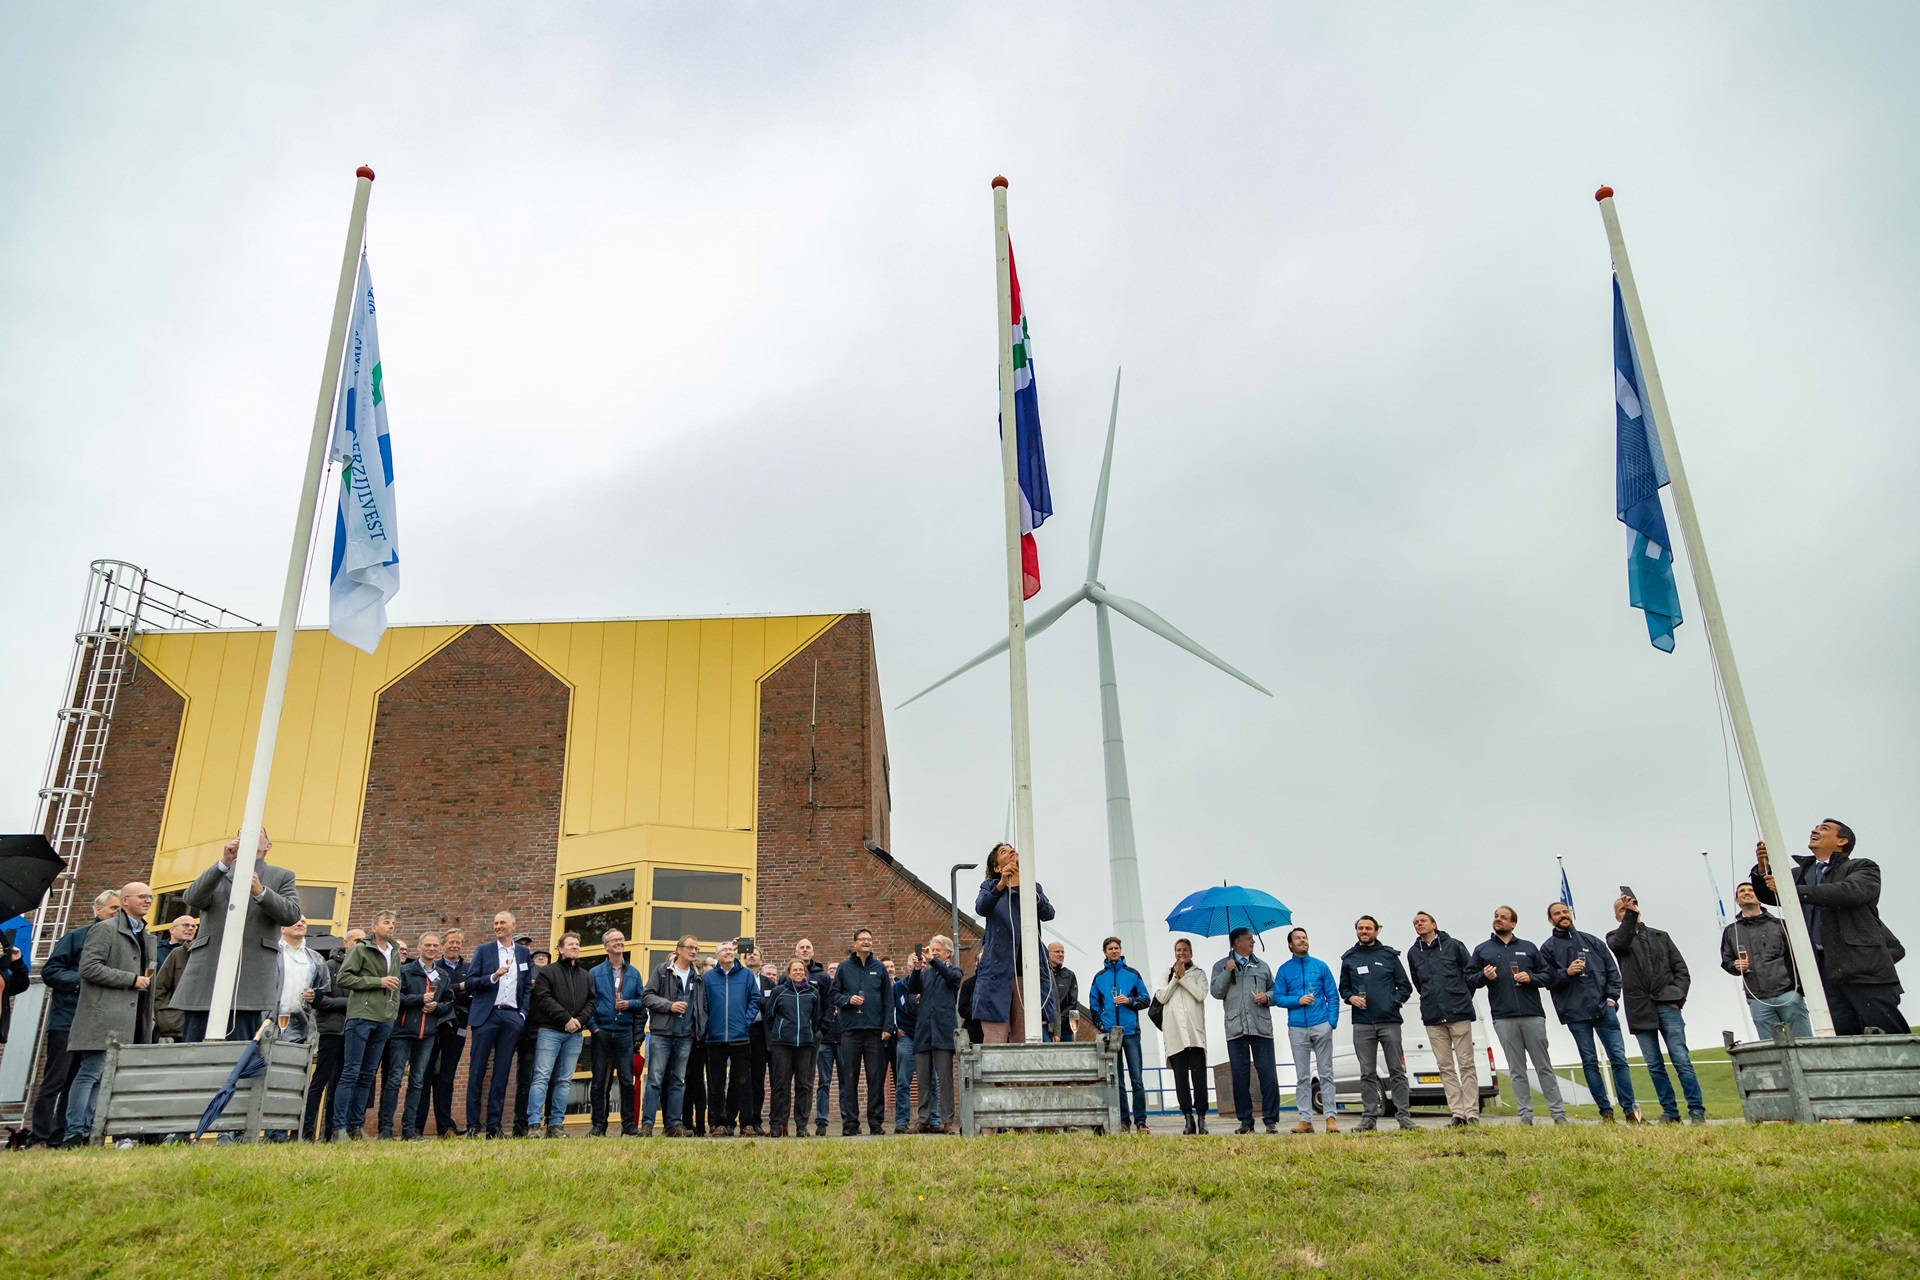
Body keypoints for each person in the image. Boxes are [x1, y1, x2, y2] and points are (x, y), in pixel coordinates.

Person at [1753, 823, 1906, 1036]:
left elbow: (1850, 892)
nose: (1814, 830)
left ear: (1842, 841)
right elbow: (1770, 895)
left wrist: (1793, 890)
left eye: (1824, 828)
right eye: (1815, 827)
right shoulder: (1800, 874)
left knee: (1889, 1033)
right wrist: (1763, 871)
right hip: (1821, 971)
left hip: (1862, 968)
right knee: (1845, 1038)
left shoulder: (1863, 867)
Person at [174, 829, 302, 1043]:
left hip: (250, 975)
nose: (249, 834)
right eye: (243, 831)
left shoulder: (281, 876)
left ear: (268, 846)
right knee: (193, 1045)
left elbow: (291, 914)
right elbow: (193, 898)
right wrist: (224, 862)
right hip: (208, 973)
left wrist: (261, 891)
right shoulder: (218, 873)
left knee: (239, 1046)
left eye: (257, 832)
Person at [62, 882, 158, 1147]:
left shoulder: (148, 936)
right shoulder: (104, 930)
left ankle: (97, 1131)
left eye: (150, 896)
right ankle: (75, 1133)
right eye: (142, 896)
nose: (148, 900)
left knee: (111, 1076)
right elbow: (89, 968)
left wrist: (147, 1014)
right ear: (124, 901)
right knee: (91, 1071)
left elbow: (149, 980)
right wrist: (130, 979)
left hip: (133, 1018)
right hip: (104, 1016)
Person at [28, 889, 118, 1147]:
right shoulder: (76, 937)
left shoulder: (117, 942)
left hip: (96, 1021)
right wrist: (85, 982)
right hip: (67, 1019)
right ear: (97, 910)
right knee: (55, 1080)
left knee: (78, 1080)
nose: (116, 915)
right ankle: (39, 1137)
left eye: (119, 910)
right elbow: (51, 971)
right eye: (112, 909)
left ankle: (62, 1135)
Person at [1607, 894, 1703, 1124]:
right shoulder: (1614, 938)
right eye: (1622, 909)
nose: (1627, 910)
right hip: (1639, 1008)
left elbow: (1681, 970)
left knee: (1681, 1059)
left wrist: (1676, 996)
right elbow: (1621, 943)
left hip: (1667, 1004)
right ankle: (1670, 1112)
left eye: (1630, 907)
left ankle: (1697, 1110)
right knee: (1654, 1065)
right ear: (1617, 916)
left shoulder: (1661, 936)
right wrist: (1630, 917)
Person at [1542, 902, 1637, 1124]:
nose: (1563, 916)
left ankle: (1630, 1111)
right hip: (1575, 1014)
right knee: (1589, 1062)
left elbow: (1613, 973)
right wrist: (1566, 972)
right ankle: (1606, 1112)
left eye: (1565, 912)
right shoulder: (1547, 949)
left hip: (1605, 1010)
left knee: (1619, 1060)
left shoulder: (1592, 941)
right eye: (1557, 914)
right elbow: (1546, 980)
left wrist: (1612, 1000)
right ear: (1550, 920)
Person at [1469, 906, 1565, 1126]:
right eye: (1495, 916)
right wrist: (1483, 975)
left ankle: (1558, 1115)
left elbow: (1548, 975)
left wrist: (1530, 977)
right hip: (1503, 1016)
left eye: (1503, 917)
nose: (1498, 919)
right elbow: (1469, 978)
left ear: (1513, 924)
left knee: (1544, 1067)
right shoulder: (1483, 950)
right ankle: (1525, 1117)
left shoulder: (1528, 947)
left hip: (1532, 1014)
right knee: (1516, 1069)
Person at [972, 844, 1056, 1044]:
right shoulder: (990, 887)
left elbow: (1049, 913)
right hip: (997, 972)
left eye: (1012, 848)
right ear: (997, 868)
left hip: (1026, 973)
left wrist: (1030, 893)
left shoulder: (1033, 886)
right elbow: (981, 908)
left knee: (1025, 1037)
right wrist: (1001, 885)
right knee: (995, 1039)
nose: (1010, 850)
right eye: (1003, 851)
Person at [1338, 915, 1415, 1132]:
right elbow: (1343, 988)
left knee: (1397, 1071)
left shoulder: (1389, 956)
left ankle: (1404, 1117)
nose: (1364, 931)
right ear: (1356, 931)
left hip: (1389, 1022)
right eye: (1360, 928)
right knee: (1367, 1073)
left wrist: (1394, 1002)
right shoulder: (1349, 958)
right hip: (1362, 1024)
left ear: (1376, 931)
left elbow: (1405, 986)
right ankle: (1369, 1118)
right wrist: (1350, 998)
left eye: (1368, 928)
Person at [333, 911, 403, 1140]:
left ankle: (356, 1126)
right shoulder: (360, 949)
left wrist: (392, 1013)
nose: (391, 926)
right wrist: (377, 982)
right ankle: (338, 1128)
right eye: (386, 922)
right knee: (351, 1072)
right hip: (362, 1016)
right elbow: (343, 979)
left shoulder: (393, 952)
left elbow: (396, 986)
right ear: (374, 927)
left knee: (367, 1075)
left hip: (384, 1019)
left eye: (393, 923)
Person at [1407, 911, 1480, 1127]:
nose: (1419, 924)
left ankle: (1472, 1113)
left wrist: (1462, 998)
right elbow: (1418, 984)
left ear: (1434, 924)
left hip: (1459, 1014)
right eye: (1415, 923)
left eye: (1422, 921)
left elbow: (1470, 975)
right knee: (1445, 1066)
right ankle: (1458, 1113)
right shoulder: (1413, 953)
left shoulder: (1454, 945)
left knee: (1466, 1064)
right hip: (1433, 1016)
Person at [464, 912, 533, 1139]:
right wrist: (492, 977)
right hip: (486, 1016)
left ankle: (494, 1126)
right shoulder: (484, 951)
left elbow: (526, 988)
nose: (498, 926)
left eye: (502, 922)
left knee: (502, 1074)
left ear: (514, 925)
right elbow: (471, 983)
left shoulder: (522, 953)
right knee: (477, 1071)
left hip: (511, 1017)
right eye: (495, 923)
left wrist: (522, 1014)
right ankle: (473, 1125)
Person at [1211, 926, 1284, 1134]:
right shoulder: (1221, 966)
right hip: (1236, 1029)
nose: (1253, 942)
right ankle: (1245, 1120)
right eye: (1249, 939)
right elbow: (1216, 992)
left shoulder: (1262, 966)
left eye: (1252, 939)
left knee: (1268, 1074)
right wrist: (1228, 971)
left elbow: (1275, 990)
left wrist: (1267, 998)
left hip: (1261, 1027)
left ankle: (1271, 1120)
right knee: (1240, 1076)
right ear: (1236, 942)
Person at [1723, 882, 1814, 1041]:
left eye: (1751, 889)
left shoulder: (1780, 925)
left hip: (1788, 994)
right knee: (1772, 1049)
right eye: (1742, 891)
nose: (1747, 893)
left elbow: (1798, 955)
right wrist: (1735, 965)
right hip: (1757, 998)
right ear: (1737, 901)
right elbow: (1727, 961)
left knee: (1804, 1042)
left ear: (1760, 898)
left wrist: (1799, 990)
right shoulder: (1731, 931)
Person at [1269, 927, 1338, 1135]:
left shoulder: (1320, 966)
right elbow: (1278, 998)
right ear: (1290, 944)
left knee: (1326, 1073)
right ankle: (1305, 1120)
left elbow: (1332, 995)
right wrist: (1297, 1001)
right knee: (1302, 1075)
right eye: (1298, 938)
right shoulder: (1284, 970)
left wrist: (1330, 1023)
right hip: (1297, 1027)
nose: (1302, 940)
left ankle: (1331, 1119)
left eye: (1304, 937)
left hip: (1321, 1024)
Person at [527, 931, 594, 1138]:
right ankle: (534, 1125)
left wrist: (579, 1021)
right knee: (541, 1077)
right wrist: (566, 1018)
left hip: (575, 1035)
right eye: (571, 944)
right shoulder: (547, 972)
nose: (575, 947)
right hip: (550, 1031)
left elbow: (592, 1002)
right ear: (560, 949)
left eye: (577, 944)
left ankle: (556, 1124)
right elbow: (543, 998)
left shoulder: (586, 975)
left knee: (565, 1080)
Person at [833, 928, 896, 1135]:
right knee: (850, 1077)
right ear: (855, 944)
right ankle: (850, 1124)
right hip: (850, 1031)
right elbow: (834, 995)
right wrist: (847, 1000)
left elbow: (888, 999)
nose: (867, 942)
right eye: (863, 940)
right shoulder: (844, 968)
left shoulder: (879, 969)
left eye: (870, 939)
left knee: (875, 1078)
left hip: (874, 1031)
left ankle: (875, 1124)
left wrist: (887, 1027)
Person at [641, 934, 704, 1137]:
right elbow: (647, 996)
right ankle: (647, 1124)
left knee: (679, 1080)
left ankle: (674, 1125)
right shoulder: (662, 970)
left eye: (696, 948)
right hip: (661, 1034)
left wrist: (697, 1026)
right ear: (679, 949)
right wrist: (669, 1006)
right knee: (655, 1079)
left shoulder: (698, 977)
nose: (694, 951)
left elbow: (702, 1006)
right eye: (690, 947)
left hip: (685, 1035)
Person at [1089, 936, 1153, 1133]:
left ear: (1121, 950)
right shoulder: (1099, 977)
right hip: (1111, 1034)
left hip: (1131, 1031)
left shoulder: (1132, 974)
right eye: (1110, 948)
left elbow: (1146, 999)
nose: (1114, 951)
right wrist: (1101, 1025)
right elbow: (1093, 1005)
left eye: (1116, 948)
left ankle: (1141, 1121)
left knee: (1137, 1078)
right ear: (1105, 952)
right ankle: (1124, 1121)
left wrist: (1130, 1001)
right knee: (1117, 1080)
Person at [379, 932, 440, 1139]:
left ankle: (409, 1129)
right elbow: (397, 998)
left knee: (417, 1082)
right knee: (394, 1079)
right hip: (403, 1032)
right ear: (420, 947)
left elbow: (449, 1001)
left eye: (435, 945)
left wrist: (436, 1007)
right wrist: (419, 999)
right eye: (428, 945)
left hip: (427, 1034)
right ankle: (386, 1129)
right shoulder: (405, 971)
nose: (431, 949)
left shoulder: (442, 975)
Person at [702, 938, 761, 1136]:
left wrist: (746, 1020)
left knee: (743, 1082)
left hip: (740, 1036)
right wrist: (708, 1023)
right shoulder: (708, 978)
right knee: (716, 1083)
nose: (728, 952)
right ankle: (719, 1123)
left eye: (730, 949)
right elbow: (702, 1004)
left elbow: (754, 998)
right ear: (717, 956)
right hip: (715, 1038)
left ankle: (746, 1123)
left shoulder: (746, 975)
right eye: (724, 950)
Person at [588, 928, 643, 1136]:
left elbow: (642, 1003)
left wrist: (629, 1004)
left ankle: (628, 1125)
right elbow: (589, 1003)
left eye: (621, 939)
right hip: (601, 1031)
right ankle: (598, 1125)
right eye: (614, 940)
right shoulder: (595, 972)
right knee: (599, 1081)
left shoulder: (634, 972)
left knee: (627, 1081)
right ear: (606, 946)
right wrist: (594, 1027)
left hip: (624, 1033)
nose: (619, 943)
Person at [303, 928, 357, 1141]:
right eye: (357, 940)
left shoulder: (363, 970)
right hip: (331, 1031)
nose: (361, 944)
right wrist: (352, 1004)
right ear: (346, 942)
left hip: (352, 1034)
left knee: (339, 1084)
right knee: (319, 1082)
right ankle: (306, 1132)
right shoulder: (328, 967)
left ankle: (330, 1132)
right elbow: (318, 1000)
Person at [764, 957, 824, 1137]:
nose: (798, 972)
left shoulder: (813, 993)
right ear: (789, 973)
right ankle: (777, 1125)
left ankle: (801, 1125)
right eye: (794, 970)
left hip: (805, 1044)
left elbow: (816, 1017)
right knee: (780, 1085)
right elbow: (769, 1016)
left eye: (801, 970)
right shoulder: (779, 992)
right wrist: (780, 1032)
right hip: (782, 1044)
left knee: (803, 1085)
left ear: (804, 972)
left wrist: (809, 1033)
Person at [1155, 937, 1210, 1134]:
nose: (1181, 953)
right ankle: (1188, 1118)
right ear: (1174, 953)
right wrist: (1175, 979)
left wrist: (1184, 978)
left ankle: (1202, 1117)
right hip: (1175, 1035)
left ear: (1191, 953)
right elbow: (1161, 996)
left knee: (1199, 1078)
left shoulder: (1199, 973)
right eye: (1178, 950)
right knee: (1181, 1080)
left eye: (1185, 950)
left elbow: (1200, 994)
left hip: (1195, 1035)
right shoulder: (1166, 973)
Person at [909, 935, 962, 1134]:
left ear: (948, 953)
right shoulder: (925, 974)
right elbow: (912, 989)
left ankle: (947, 1120)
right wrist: (916, 969)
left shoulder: (954, 971)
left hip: (943, 1033)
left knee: (945, 1080)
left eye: (938, 950)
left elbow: (951, 978)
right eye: (932, 949)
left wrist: (933, 961)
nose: (933, 952)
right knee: (923, 1080)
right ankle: (923, 1119)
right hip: (924, 1032)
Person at [426, 929, 470, 1137]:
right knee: (425, 1076)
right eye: (450, 942)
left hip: (458, 1027)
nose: (454, 945)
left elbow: (471, 993)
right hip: (432, 1027)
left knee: (447, 1077)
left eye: (458, 943)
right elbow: (436, 991)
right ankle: (416, 1125)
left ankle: (445, 1126)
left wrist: (449, 991)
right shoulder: (435, 967)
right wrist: (459, 987)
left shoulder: (469, 968)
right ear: (443, 945)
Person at [151, 918, 194, 1042]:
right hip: (169, 1020)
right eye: (186, 925)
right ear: (171, 929)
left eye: (193, 926)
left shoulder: (198, 954)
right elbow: (159, 988)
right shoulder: (157, 951)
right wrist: (156, 1016)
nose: (190, 928)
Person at [891, 952, 921, 1134]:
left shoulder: (929, 985)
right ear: (909, 966)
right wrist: (895, 1030)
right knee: (903, 1081)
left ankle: (931, 1119)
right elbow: (889, 1008)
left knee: (930, 1081)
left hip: (926, 1038)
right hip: (906, 1037)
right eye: (915, 964)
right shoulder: (898, 987)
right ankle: (902, 1121)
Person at [812, 957, 841, 1136]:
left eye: (836, 969)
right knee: (824, 1082)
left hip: (843, 1040)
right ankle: (821, 1121)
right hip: (825, 1042)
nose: (833, 972)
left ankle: (848, 1121)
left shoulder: (846, 990)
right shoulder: (822, 991)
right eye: (830, 969)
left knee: (846, 1083)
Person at [1047, 941, 1080, 1043]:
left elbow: (1073, 1002)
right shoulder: (1043, 973)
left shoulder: (1069, 976)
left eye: (1062, 952)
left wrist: (1059, 1020)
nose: (1060, 954)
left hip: (1065, 1028)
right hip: (1047, 1026)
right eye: (1057, 951)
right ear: (1048, 953)